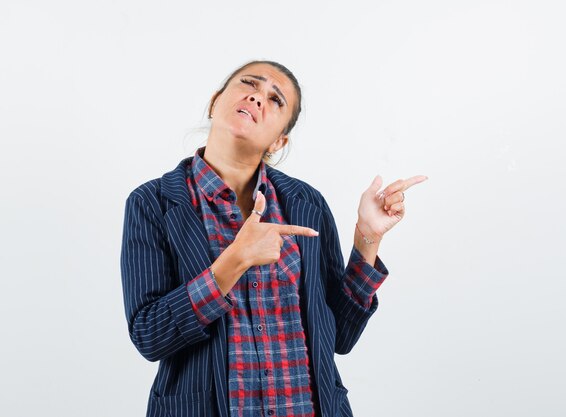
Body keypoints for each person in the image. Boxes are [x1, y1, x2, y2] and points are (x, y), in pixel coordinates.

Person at [120, 60, 428, 417]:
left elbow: (340, 335)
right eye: (248, 83)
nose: (256, 97)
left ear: (280, 140)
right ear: (215, 102)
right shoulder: (153, 203)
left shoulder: (305, 203)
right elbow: (149, 335)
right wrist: (234, 261)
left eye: (275, 99)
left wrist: (367, 239)